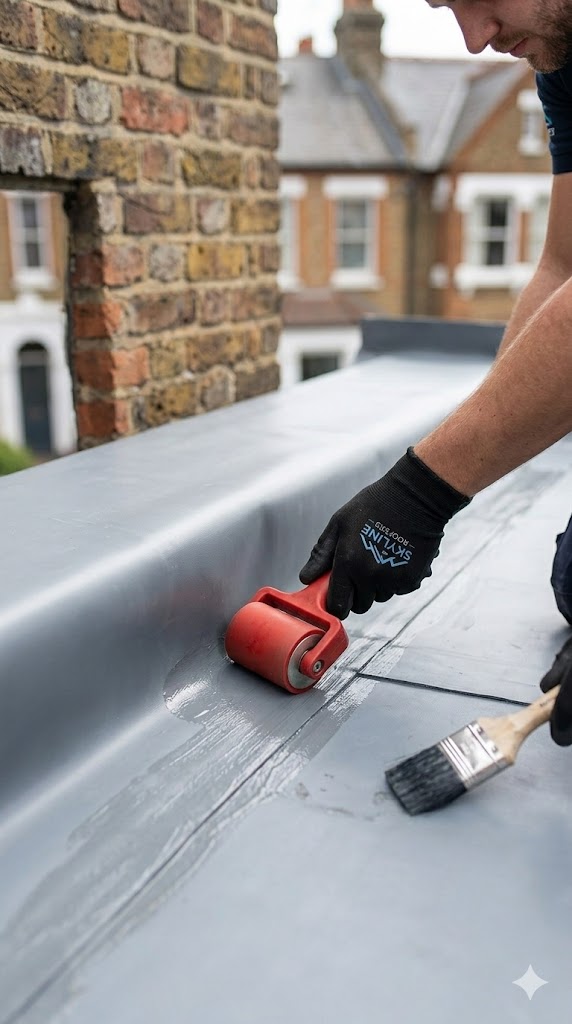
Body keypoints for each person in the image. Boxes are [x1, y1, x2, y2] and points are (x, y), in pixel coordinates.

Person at [299, 0, 572, 745]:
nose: (475, 37)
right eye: (446, 7)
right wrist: (483, 445)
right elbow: (565, 263)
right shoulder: (561, 53)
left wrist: (422, 491)